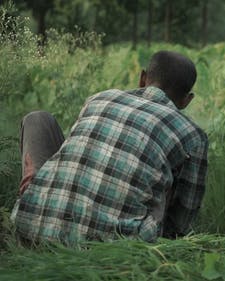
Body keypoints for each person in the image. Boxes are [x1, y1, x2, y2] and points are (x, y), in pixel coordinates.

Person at [10, 50, 208, 244]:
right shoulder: (193, 135)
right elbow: (182, 218)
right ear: (186, 100)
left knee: (37, 120)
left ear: (142, 78)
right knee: (168, 181)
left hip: (32, 225)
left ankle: (34, 195)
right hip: (117, 243)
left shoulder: (100, 98)